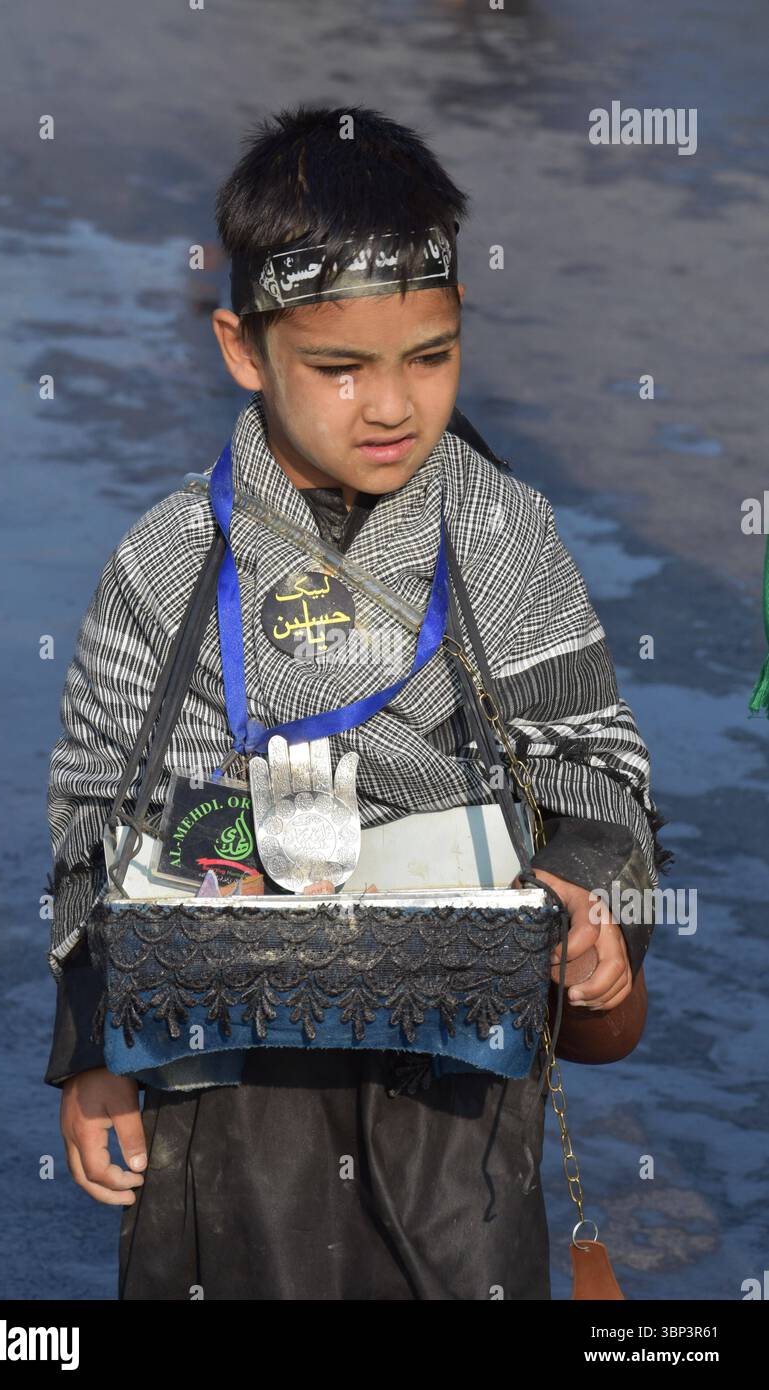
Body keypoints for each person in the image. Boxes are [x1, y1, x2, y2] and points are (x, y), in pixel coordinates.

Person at [43, 105, 670, 1301]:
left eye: (428, 357)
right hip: (225, 1084)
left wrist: (590, 898)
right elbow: (93, 814)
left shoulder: (500, 532)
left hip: (456, 1085)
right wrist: (93, 1058)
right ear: (243, 348)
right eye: (339, 368)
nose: (391, 407)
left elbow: (596, 763)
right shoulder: (171, 557)